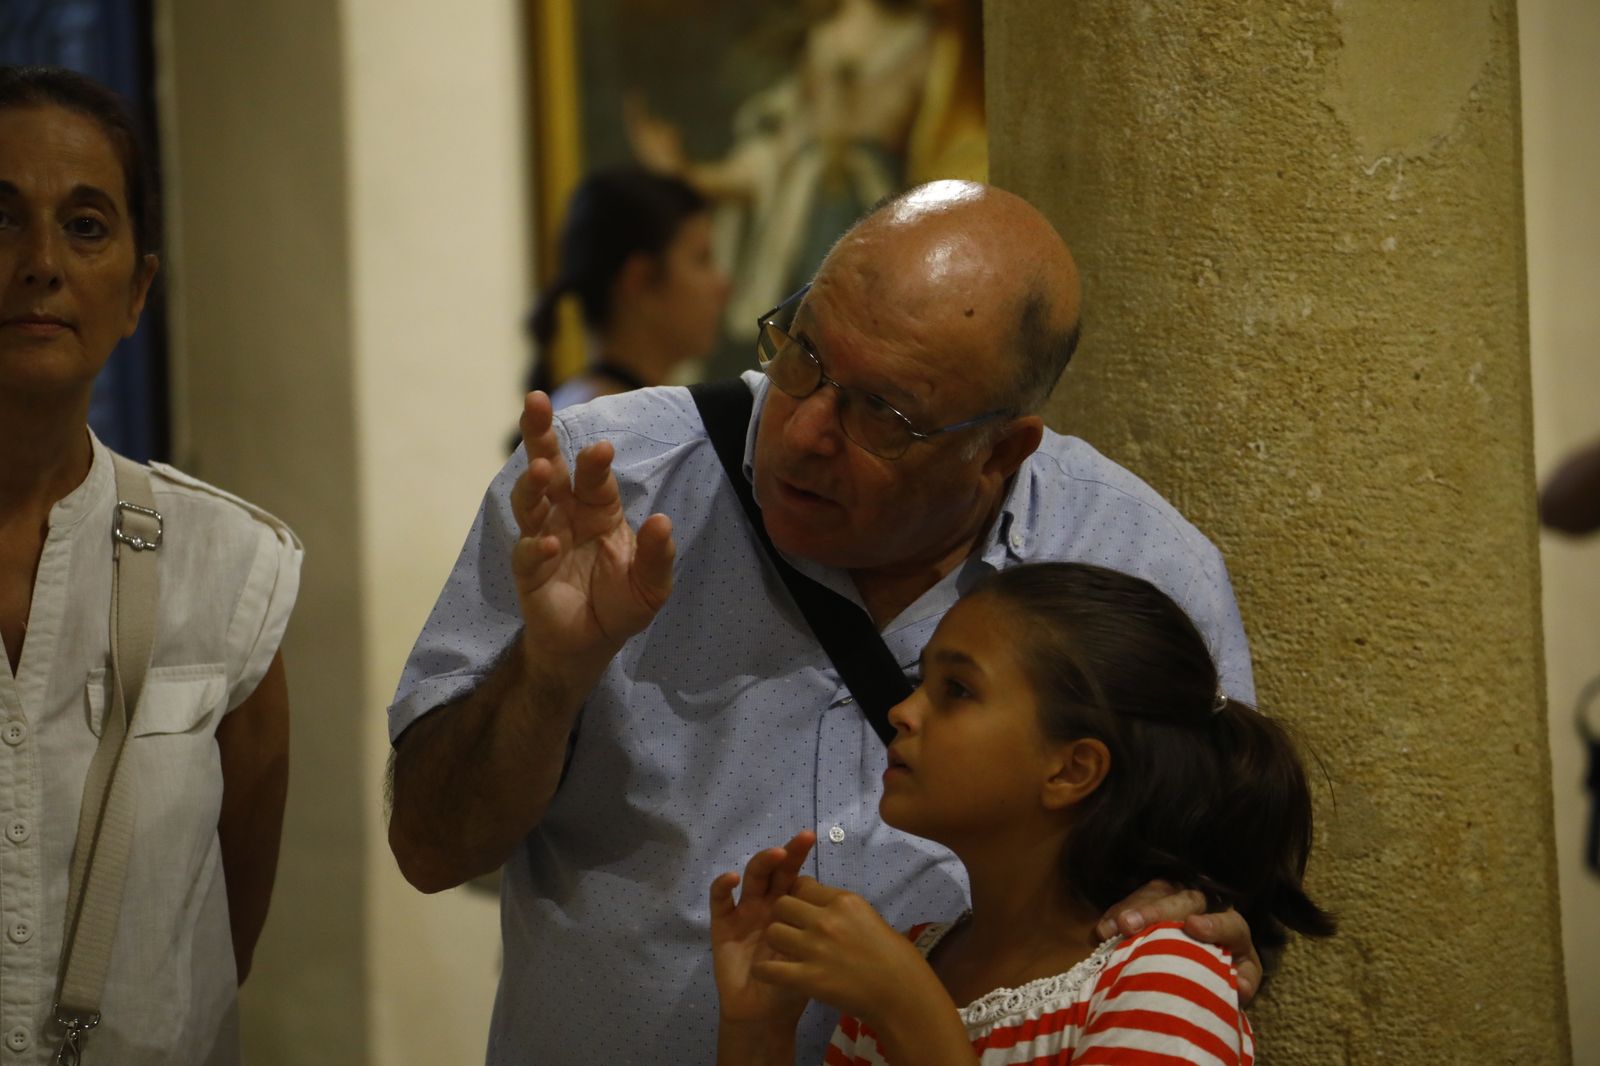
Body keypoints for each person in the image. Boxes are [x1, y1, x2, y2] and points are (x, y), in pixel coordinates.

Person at [388, 180, 1261, 1063]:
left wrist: (1208, 922)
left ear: (999, 450)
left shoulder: (1137, 567)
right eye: (802, 355)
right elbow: (429, 850)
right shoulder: (600, 490)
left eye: (881, 414)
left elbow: (1219, 917)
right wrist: (551, 671)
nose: (802, 429)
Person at [711, 562, 1334, 1064]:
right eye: (921, 680)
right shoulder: (917, 957)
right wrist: (758, 1028)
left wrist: (907, 1010)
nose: (903, 711)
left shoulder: (1161, 981)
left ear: (1070, 770)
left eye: (957, 690)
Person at [0, 66, 299, 1064]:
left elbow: (225, 921)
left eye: (86, 225)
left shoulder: (226, 568)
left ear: (137, 292)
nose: (40, 262)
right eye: (0, 217)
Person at [526, 167, 728, 413]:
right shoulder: (602, 425)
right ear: (639, 280)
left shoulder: (618, 412)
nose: (723, 285)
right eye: (702, 260)